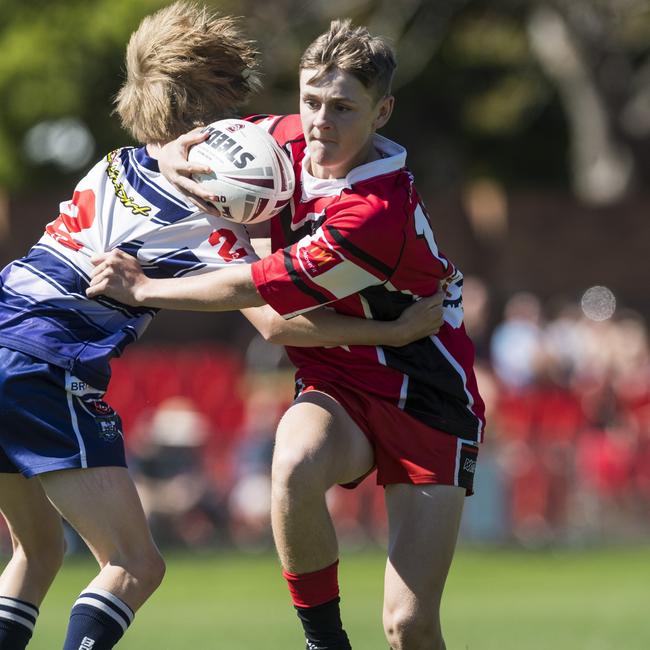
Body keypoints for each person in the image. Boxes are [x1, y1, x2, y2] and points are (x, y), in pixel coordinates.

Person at [0, 5, 443, 650]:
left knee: (36, 554)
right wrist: (394, 333)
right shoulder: (209, 227)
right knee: (134, 564)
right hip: (41, 364)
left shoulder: (119, 161)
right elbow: (277, 324)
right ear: (214, 112)